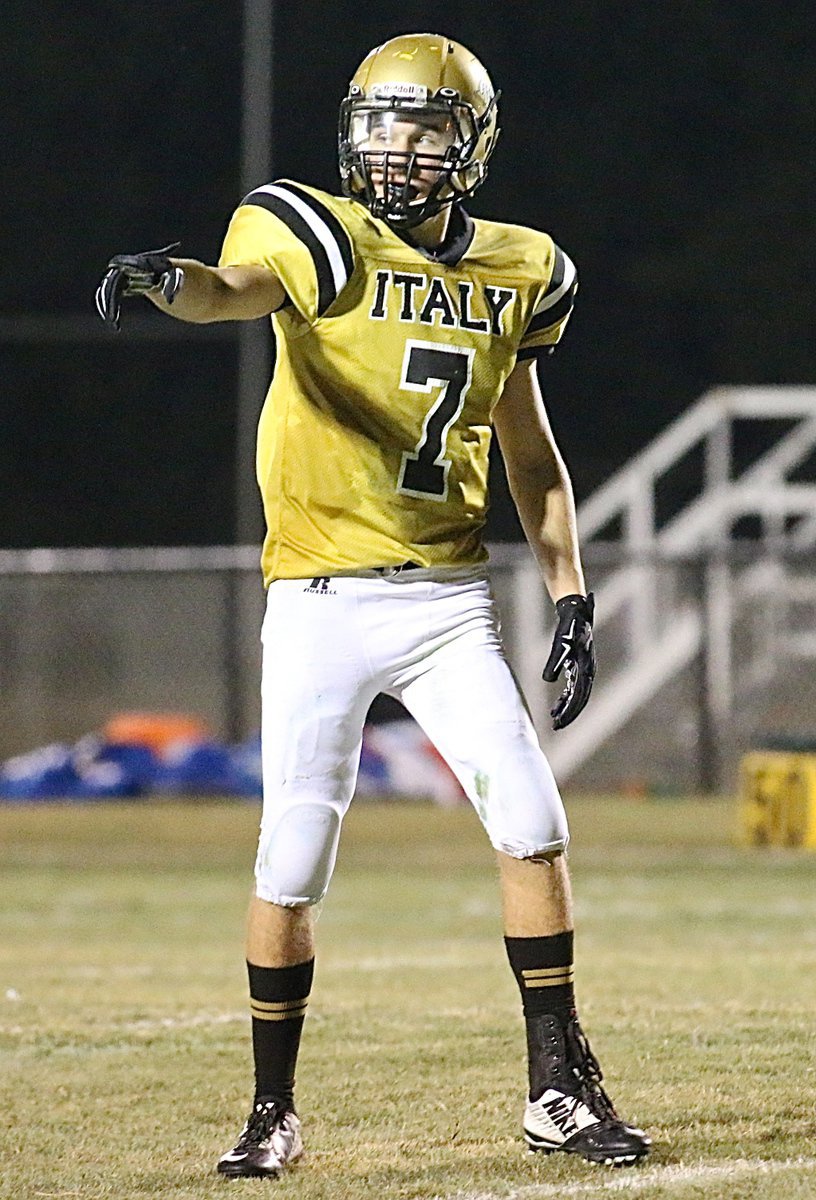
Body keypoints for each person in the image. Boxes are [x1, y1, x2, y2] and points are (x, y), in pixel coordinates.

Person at [96, 32, 651, 1178]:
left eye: (426, 126)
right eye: (381, 123)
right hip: (319, 596)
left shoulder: (523, 267)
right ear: (352, 130)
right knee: (293, 851)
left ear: (473, 145)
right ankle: (269, 1113)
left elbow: (533, 458)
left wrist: (574, 597)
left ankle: (557, 1088)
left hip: (449, 599)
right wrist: (173, 283)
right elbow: (232, 292)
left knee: (534, 822)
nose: (398, 148)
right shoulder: (313, 229)